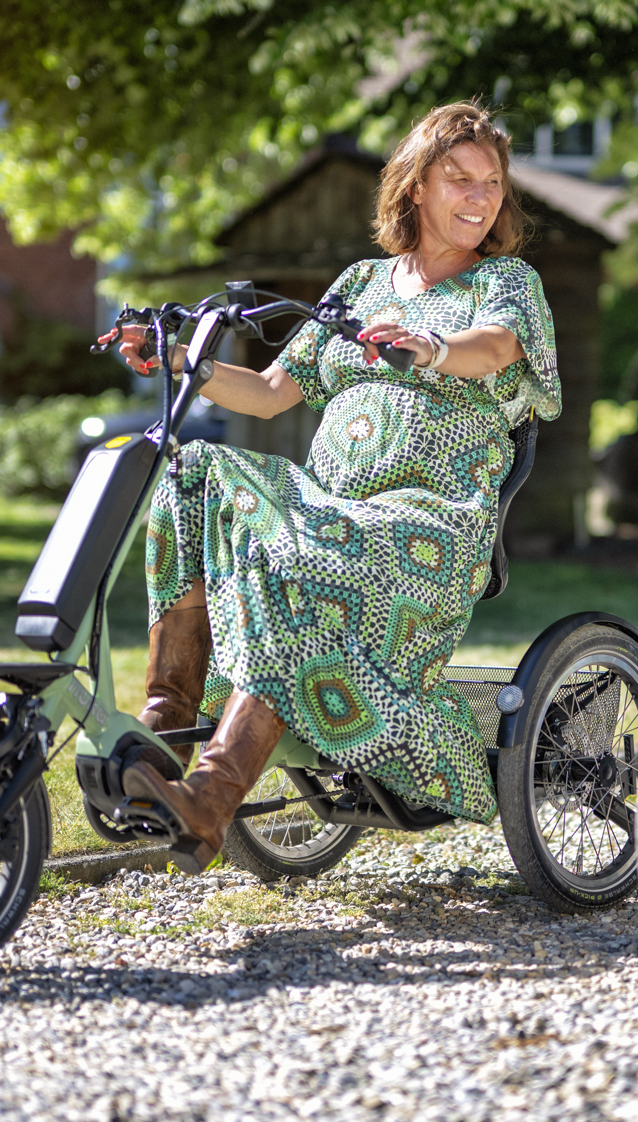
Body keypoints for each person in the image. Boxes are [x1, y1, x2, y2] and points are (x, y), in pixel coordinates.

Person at [101, 102, 559, 870]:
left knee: (302, 563)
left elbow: (495, 349)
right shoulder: (362, 283)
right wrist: (185, 363)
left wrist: (432, 344)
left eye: (492, 183)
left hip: (428, 524)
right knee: (190, 471)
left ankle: (211, 801)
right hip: (333, 507)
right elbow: (275, 389)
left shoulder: (505, 283)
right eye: (459, 180)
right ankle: (163, 731)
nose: (480, 198)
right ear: (416, 187)